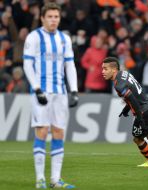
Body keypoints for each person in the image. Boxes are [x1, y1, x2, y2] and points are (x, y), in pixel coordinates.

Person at [23, 3, 78, 189]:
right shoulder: (34, 37)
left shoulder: (64, 39)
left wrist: (74, 90)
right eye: (50, 16)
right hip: (42, 91)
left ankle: (56, 180)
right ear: (42, 18)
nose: (53, 19)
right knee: (42, 131)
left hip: (60, 92)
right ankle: (40, 179)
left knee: (59, 133)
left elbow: (70, 65)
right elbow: (27, 65)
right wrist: (37, 88)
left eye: (56, 16)